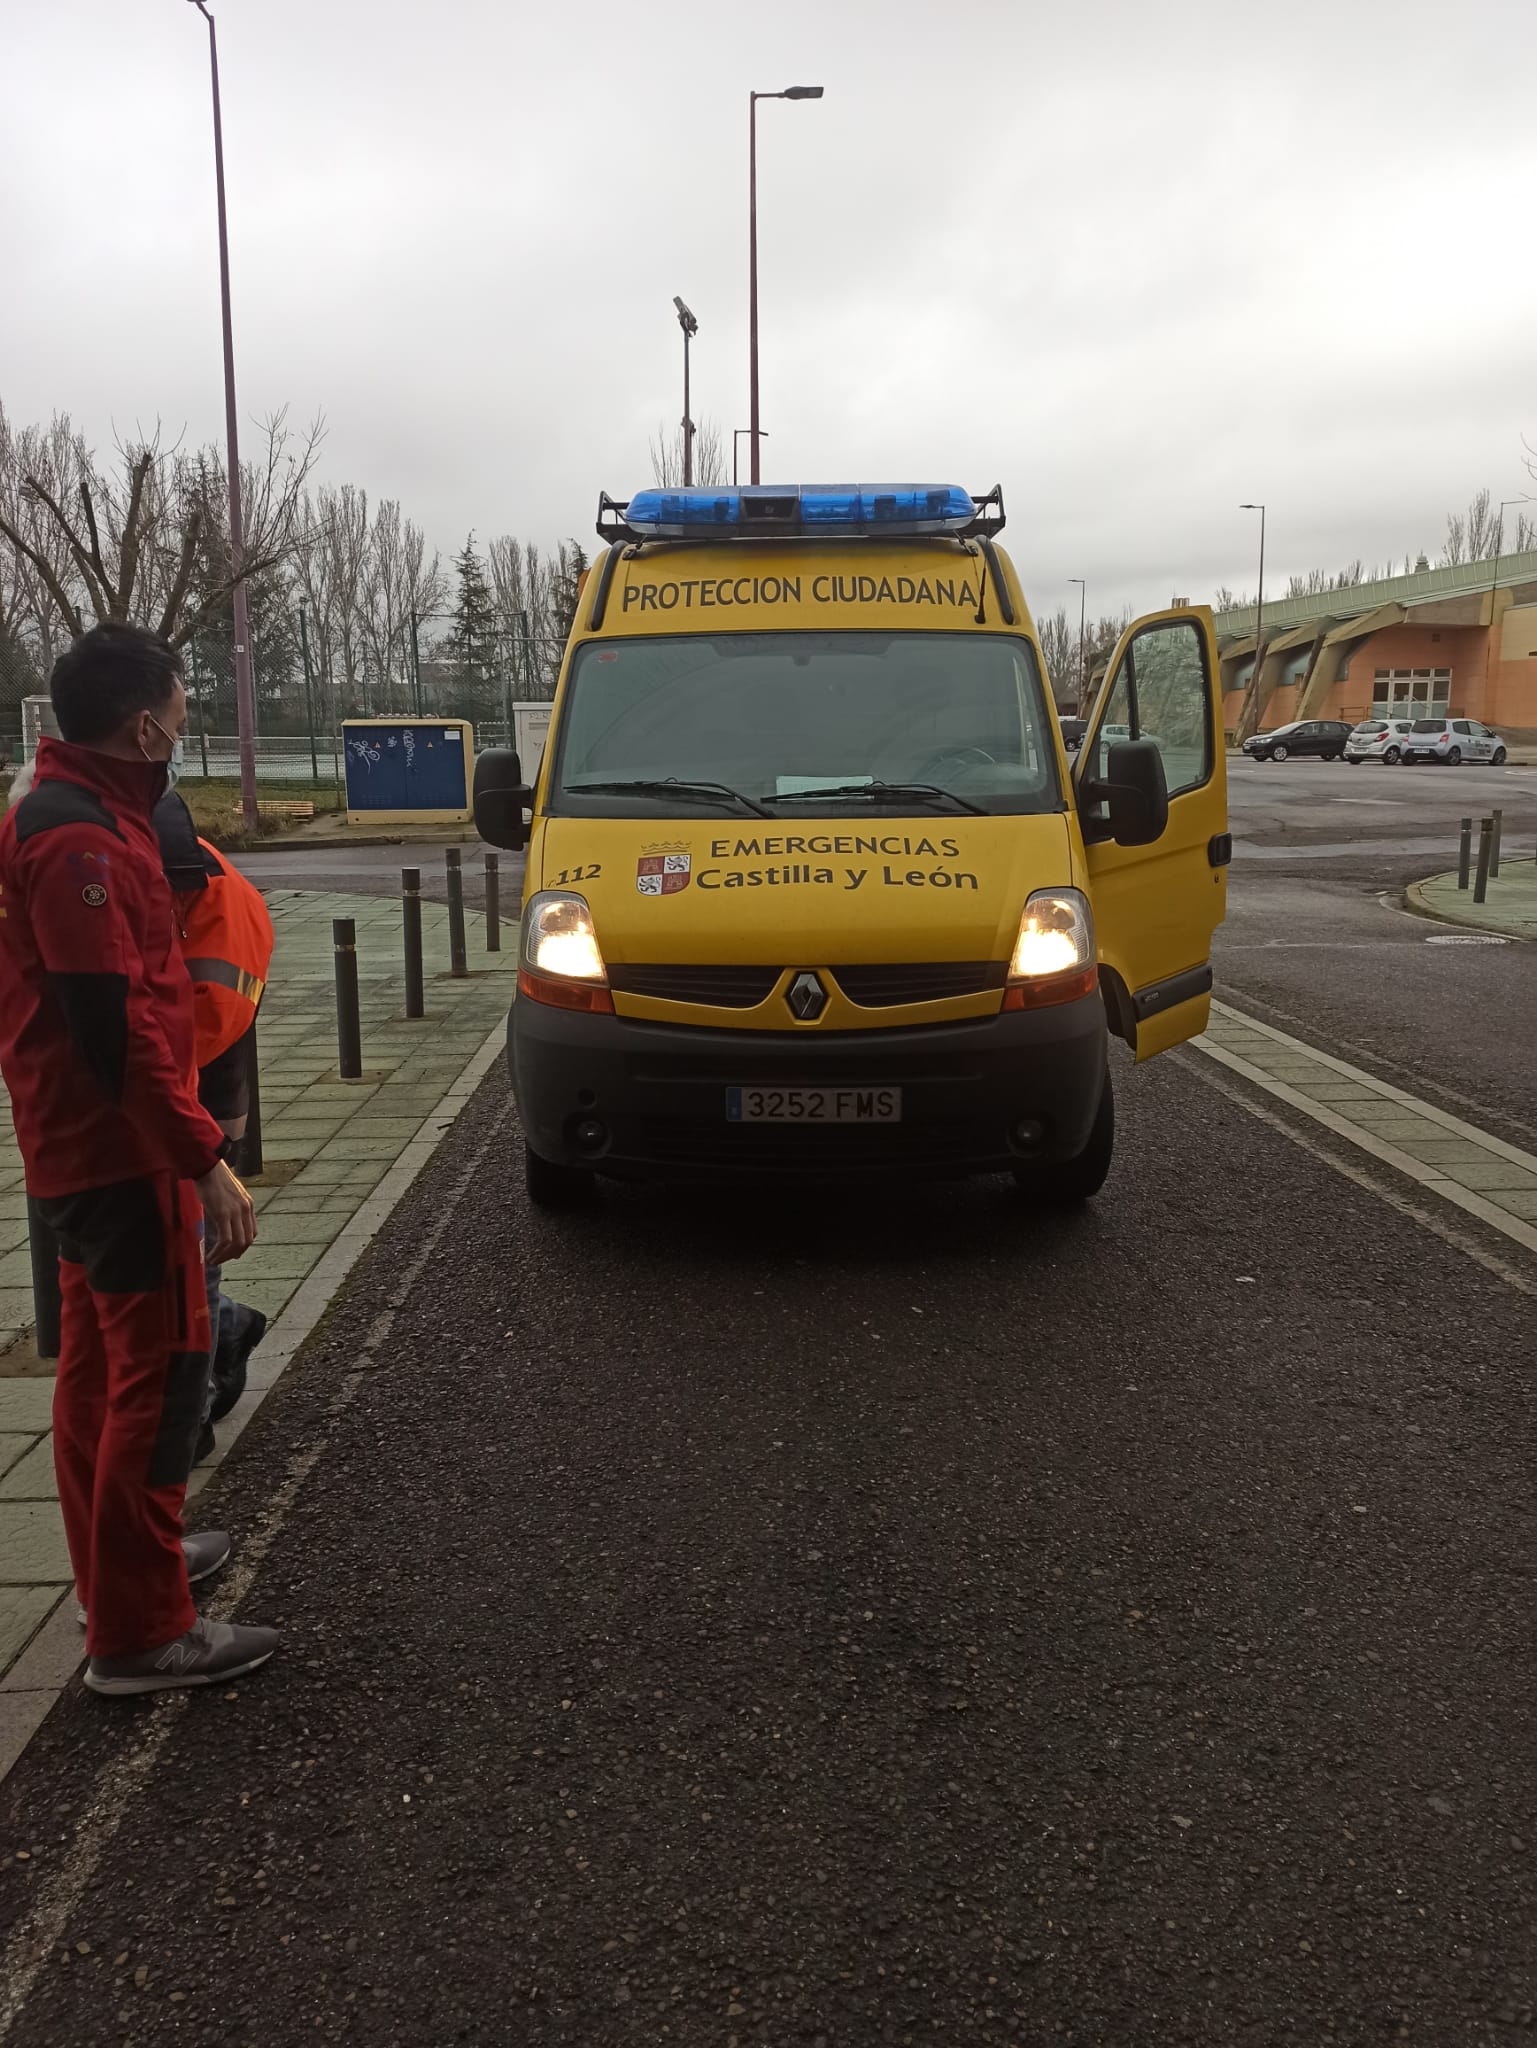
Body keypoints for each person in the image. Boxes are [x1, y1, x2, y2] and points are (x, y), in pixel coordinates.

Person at [0, 622, 278, 1694]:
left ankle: (125, 1568)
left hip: (78, 1150)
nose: (185, 719)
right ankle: (143, 1628)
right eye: (181, 702)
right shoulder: (81, 845)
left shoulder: (67, 812)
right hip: (121, 1159)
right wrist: (203, 1158)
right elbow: (114, 1033)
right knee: (158, 1382)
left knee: (97, 1374)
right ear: (142, 720)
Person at [151, 788, 274, 1455]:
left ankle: (192, 1411)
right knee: (174, 1259)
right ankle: (227, 1331)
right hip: (174, 1082)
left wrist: (202, 1153)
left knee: (191, 1255)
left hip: (201, 1088)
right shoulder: (175, 871)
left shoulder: (224, 913)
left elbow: (193, 1042)